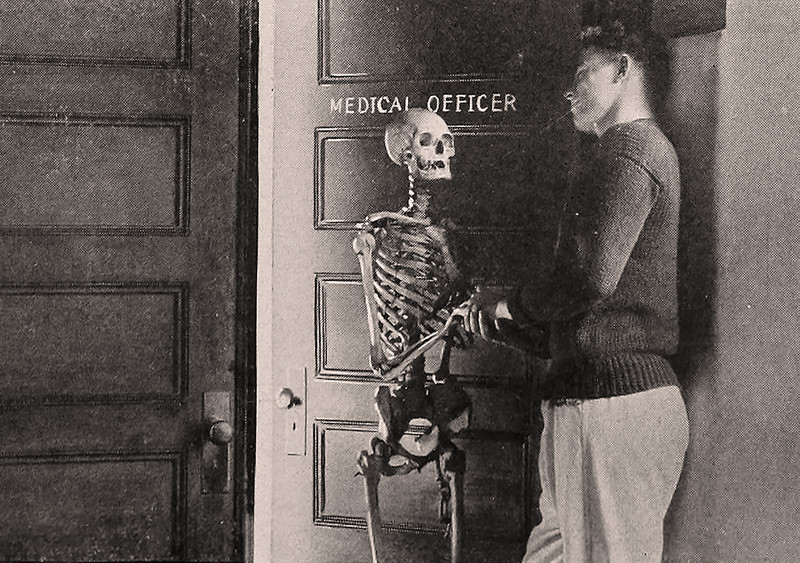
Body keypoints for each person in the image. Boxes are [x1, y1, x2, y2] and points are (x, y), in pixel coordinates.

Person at [460, 18, 689, 563]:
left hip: (610, 410)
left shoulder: (630, 149)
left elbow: (590, 278)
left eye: (582, 73)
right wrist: (508, 325)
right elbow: (592, 312)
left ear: (622, 70)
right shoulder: (627, 152)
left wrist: (510, 305)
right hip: (595, 403)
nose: (569, 90)